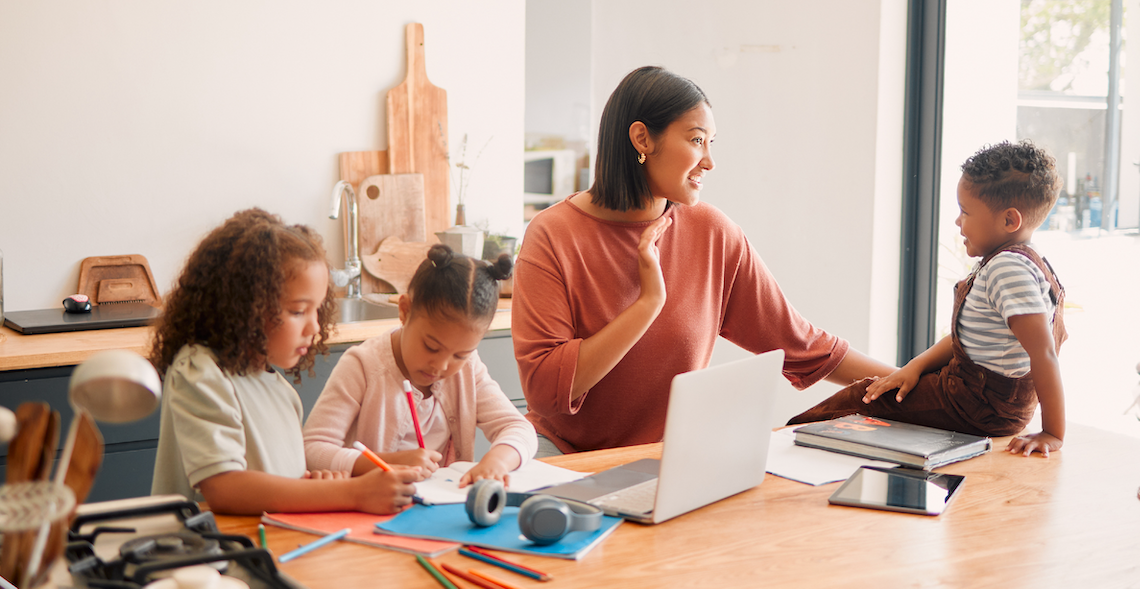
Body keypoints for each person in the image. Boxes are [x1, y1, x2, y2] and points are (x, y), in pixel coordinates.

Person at [511, 65, 895, 456]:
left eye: (711, 142)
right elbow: (545, 392)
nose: (709, 161)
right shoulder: (553, 234)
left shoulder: (712, 233)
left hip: (667, 459)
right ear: (642, 138)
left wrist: (910, 380)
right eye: (697, 140)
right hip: (564, 453)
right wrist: (648, 304)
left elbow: (805, 346)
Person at [788, 140, 1067, 458]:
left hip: (976, 405)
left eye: (965, 212)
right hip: (973, 395)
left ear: (1009, 221)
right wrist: (914, 367)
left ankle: (785, 448)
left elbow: (1043, 353)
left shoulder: (1007, 269)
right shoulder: (1019, 262)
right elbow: (968, 339)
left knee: (856, 400)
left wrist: (1052, 432)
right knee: (887, 387)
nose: (957, 222)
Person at [150, 208, 424, 514]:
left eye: (317, 310)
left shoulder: (282, 393)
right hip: (196, 555)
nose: (315, 328)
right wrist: (351, 492)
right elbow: (224, 488)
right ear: (245, 306)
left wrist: (317, 484)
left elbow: (278, 489)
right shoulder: (200, 372)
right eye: (297, 311)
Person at [304, 244, 536, 487]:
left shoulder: (468, 370)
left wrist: (497, 462)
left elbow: (518, 428)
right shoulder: (362, 366)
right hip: (374, 507)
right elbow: (312, 449)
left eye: (460, 355)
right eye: (431, 347)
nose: (441, 366)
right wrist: (388, 462)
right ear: (404, 310)